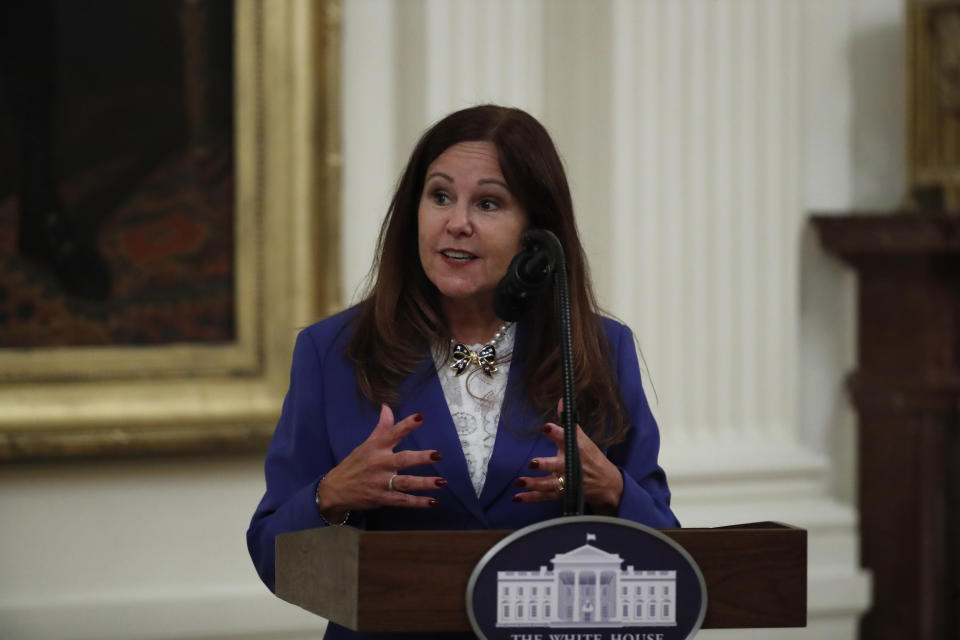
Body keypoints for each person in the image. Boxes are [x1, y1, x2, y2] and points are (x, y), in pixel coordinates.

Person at [247, 105, 678, 639]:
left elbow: (668, 554)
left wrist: (613, 489)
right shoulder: (332, 352)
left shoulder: (597, 349)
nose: (457, 222)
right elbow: (274, 559)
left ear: (535, 232)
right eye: (440, 196)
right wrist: (330, 494)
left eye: (489, 203)